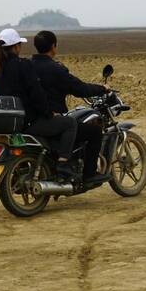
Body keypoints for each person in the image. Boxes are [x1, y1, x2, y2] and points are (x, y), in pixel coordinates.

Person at [0, 28, 78, 180]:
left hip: (7, 123)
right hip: (28, 121)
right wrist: (49, 113)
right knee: (69, 124)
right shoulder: (23, 65)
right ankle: (63, 165)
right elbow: (36, 94)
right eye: (19, 45)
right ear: (16, 47)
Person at [31, 30, 110, 182]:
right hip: (51, 120)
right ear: (53, 46)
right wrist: (101, 89)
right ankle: (89, 174)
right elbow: (79, 88)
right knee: (94, 131)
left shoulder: (27, 66)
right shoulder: (55, 69)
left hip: (33, 119)